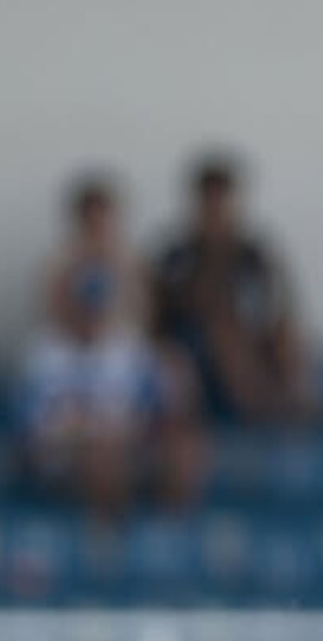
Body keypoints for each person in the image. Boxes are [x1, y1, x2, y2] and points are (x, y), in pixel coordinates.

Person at [19, 175, 195, 515]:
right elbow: (33, 432)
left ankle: (170, 545)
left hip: (129, 442)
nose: (91, 306)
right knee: (102, 454)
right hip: (70, 455)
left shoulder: (129, 348)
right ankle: (104, 555)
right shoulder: (45, 353)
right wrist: (91, 432)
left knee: (185, 450)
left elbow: (168, 411)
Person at [151, 155, 310, 422]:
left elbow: (273, 301)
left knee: (287, 332)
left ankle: (297, 401)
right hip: (192, 343)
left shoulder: (253, 253)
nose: (218, 211)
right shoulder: (177, 254)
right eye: (211, 203)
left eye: (223, 202)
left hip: (251, 334)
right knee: (223, 331)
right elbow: (170, 309)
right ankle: (261, 413)